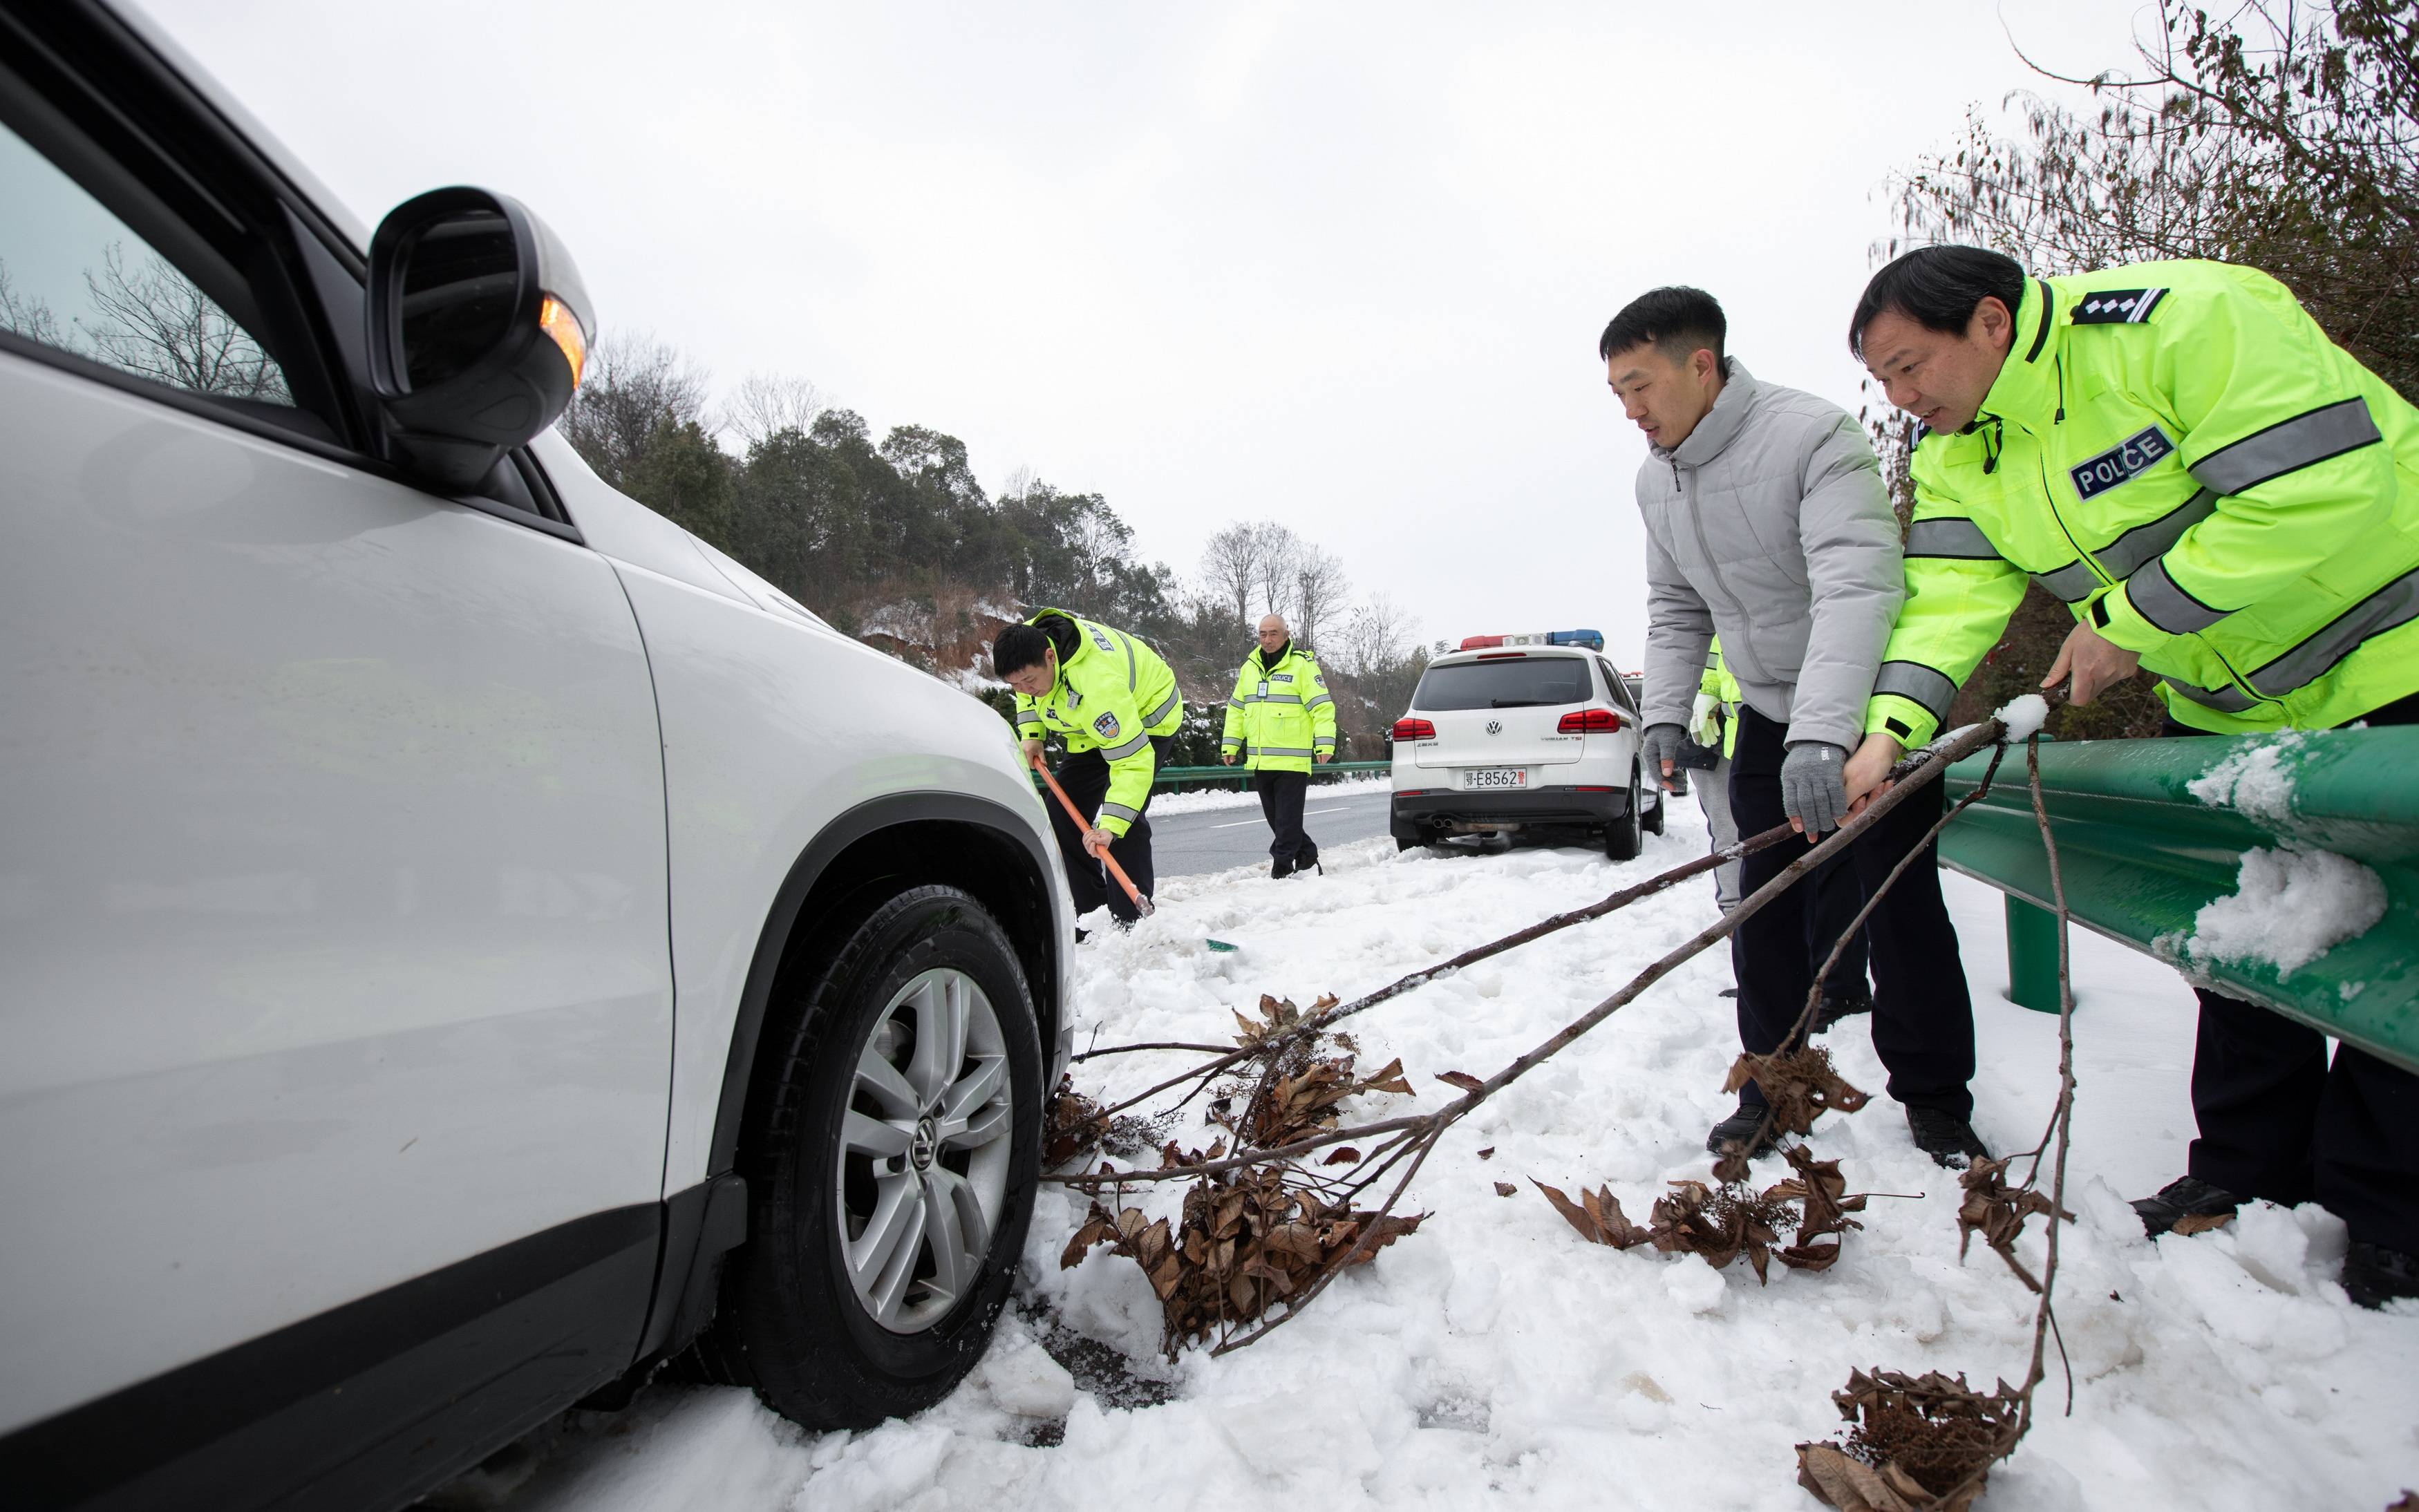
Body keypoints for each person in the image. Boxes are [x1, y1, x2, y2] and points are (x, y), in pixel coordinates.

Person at [1843, 245, 2419, 1306]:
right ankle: (2244, 1172)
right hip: (2235, 706)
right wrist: (1890, 729)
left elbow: (2319, 486)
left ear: (1991, 323)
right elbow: (1954, 600)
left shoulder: (2183, 323)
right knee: (2249, 930)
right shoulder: (1960, 456)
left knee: (2411, 949)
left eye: (1910, 366)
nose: (1902, 398)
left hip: (2396, 656)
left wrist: (2134, 623)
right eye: (1881, 379)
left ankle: (2395, 1211)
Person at [1606, 284, 1987, 1167]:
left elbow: (1858, 584)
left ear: (1699, 365)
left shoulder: (1811, 436)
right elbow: (1674, 607)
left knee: (1896, 907)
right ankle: (1767, 1088)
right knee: (1763, 911)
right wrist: (1662, 714)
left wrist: (1828, 734)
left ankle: (1934, 1099)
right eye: (1616, 395)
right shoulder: (1653, 479)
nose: (1631, 411)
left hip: (1861, 712)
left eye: (1640, 386)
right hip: (1766, 714)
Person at [1691, 639, 1874, 1025]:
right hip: (1751, 729)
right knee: (1771, 869)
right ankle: (1783, 983)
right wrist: (1706, 693)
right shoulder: (1725, 591)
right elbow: (1718, 647)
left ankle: (1838, 986)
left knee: (1829, 856)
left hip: (1814, 719)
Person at [997, 607, 1185, 927]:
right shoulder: (1024, 644)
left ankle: (1130, 921)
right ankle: (1091, 913)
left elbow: (1130, 763)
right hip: (1088, 727)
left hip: (1147, 719)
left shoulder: (1098, 684)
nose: (1025, 689)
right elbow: (1026, 695)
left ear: (1050, 657)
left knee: (1124, 818)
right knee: (1061, 813)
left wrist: (1111, 826)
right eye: (1015, 684)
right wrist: (1032, 734)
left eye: (1029, 680)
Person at [1220, 612, 1338, 878]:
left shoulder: (1302, 666)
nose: (1268, 639)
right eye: (1263, 634)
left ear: (1286, 635)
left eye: (1273, 634)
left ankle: (1281, 868)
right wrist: (1231, 744)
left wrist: (1325, 744)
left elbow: (1322, 708)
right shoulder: (1249, 668)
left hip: (1292, 761)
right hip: (1261, 759)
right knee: (1277, 820)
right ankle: (1307, 856)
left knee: (1287, 820)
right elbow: (1237, 709)